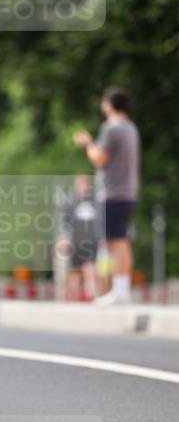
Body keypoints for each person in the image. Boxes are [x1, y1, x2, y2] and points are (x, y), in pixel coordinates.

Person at [73, 86, 140, 306]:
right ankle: (123, 288)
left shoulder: (111, 129)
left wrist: (88, 143)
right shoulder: (131, 128)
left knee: (115, 242)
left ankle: (119, 291)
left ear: (109, 105)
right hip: (128, 192)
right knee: (123, 242)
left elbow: (99, 159)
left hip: (113, 193)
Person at [56, 174, 98, 301]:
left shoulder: (95, 202)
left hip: (91, 241)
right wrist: (64, 239)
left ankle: (91, 296)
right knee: (74, 272)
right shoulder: (71, 202)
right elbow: (65, 223)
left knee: (90, 270)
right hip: (76, 241)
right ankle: (73, 299)